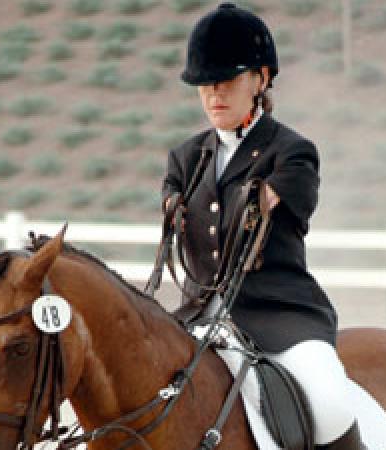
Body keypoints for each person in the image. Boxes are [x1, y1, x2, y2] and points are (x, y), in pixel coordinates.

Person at [161, 3, 366, 449]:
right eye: (205, 85)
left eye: (228, 81)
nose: (215, 94)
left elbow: (277, 206)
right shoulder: (185, 159)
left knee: (330, 404)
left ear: (261, 78)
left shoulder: (291, 152)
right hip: (197, 318)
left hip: (278, 317)